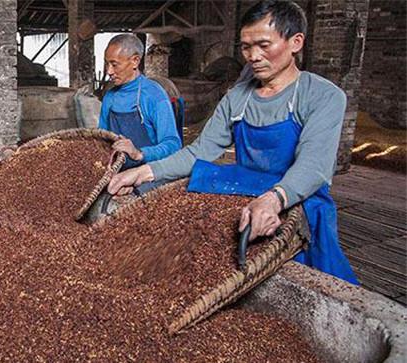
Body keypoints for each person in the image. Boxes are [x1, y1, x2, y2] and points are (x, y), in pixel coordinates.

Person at [107, 0, 358, 284]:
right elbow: (200, 151)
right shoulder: (238, 97)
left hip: (296, 197)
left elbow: (314, 166)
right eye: (246, 47)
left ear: (295, 42)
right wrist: (143, 172)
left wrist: (274, 199)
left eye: (264, 45)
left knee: (307, 276)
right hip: (244, 189)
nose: (253, 56)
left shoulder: (323, 96)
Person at [99, 34, 182, 195]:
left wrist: (138, 153)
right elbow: (101, 140)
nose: (109, 71)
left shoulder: (154, 95)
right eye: (107, 64)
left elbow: (173, 145)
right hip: (118, 173)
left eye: (114, 65)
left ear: (135, 61)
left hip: (151, 173)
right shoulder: (109, 97)